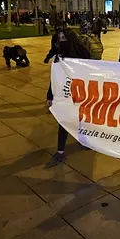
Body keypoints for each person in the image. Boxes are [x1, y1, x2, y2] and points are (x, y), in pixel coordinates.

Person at [45, 28, 92, 167]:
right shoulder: (60, 58)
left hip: (81, 93)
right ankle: (60, 152)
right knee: (63, 121)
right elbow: (55, 78)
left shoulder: (82, 55)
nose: (61, 41)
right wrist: (50, 95)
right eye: (59, 38)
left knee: (82, 119)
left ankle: (84, 141)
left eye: (63, 38)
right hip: (66, 94)